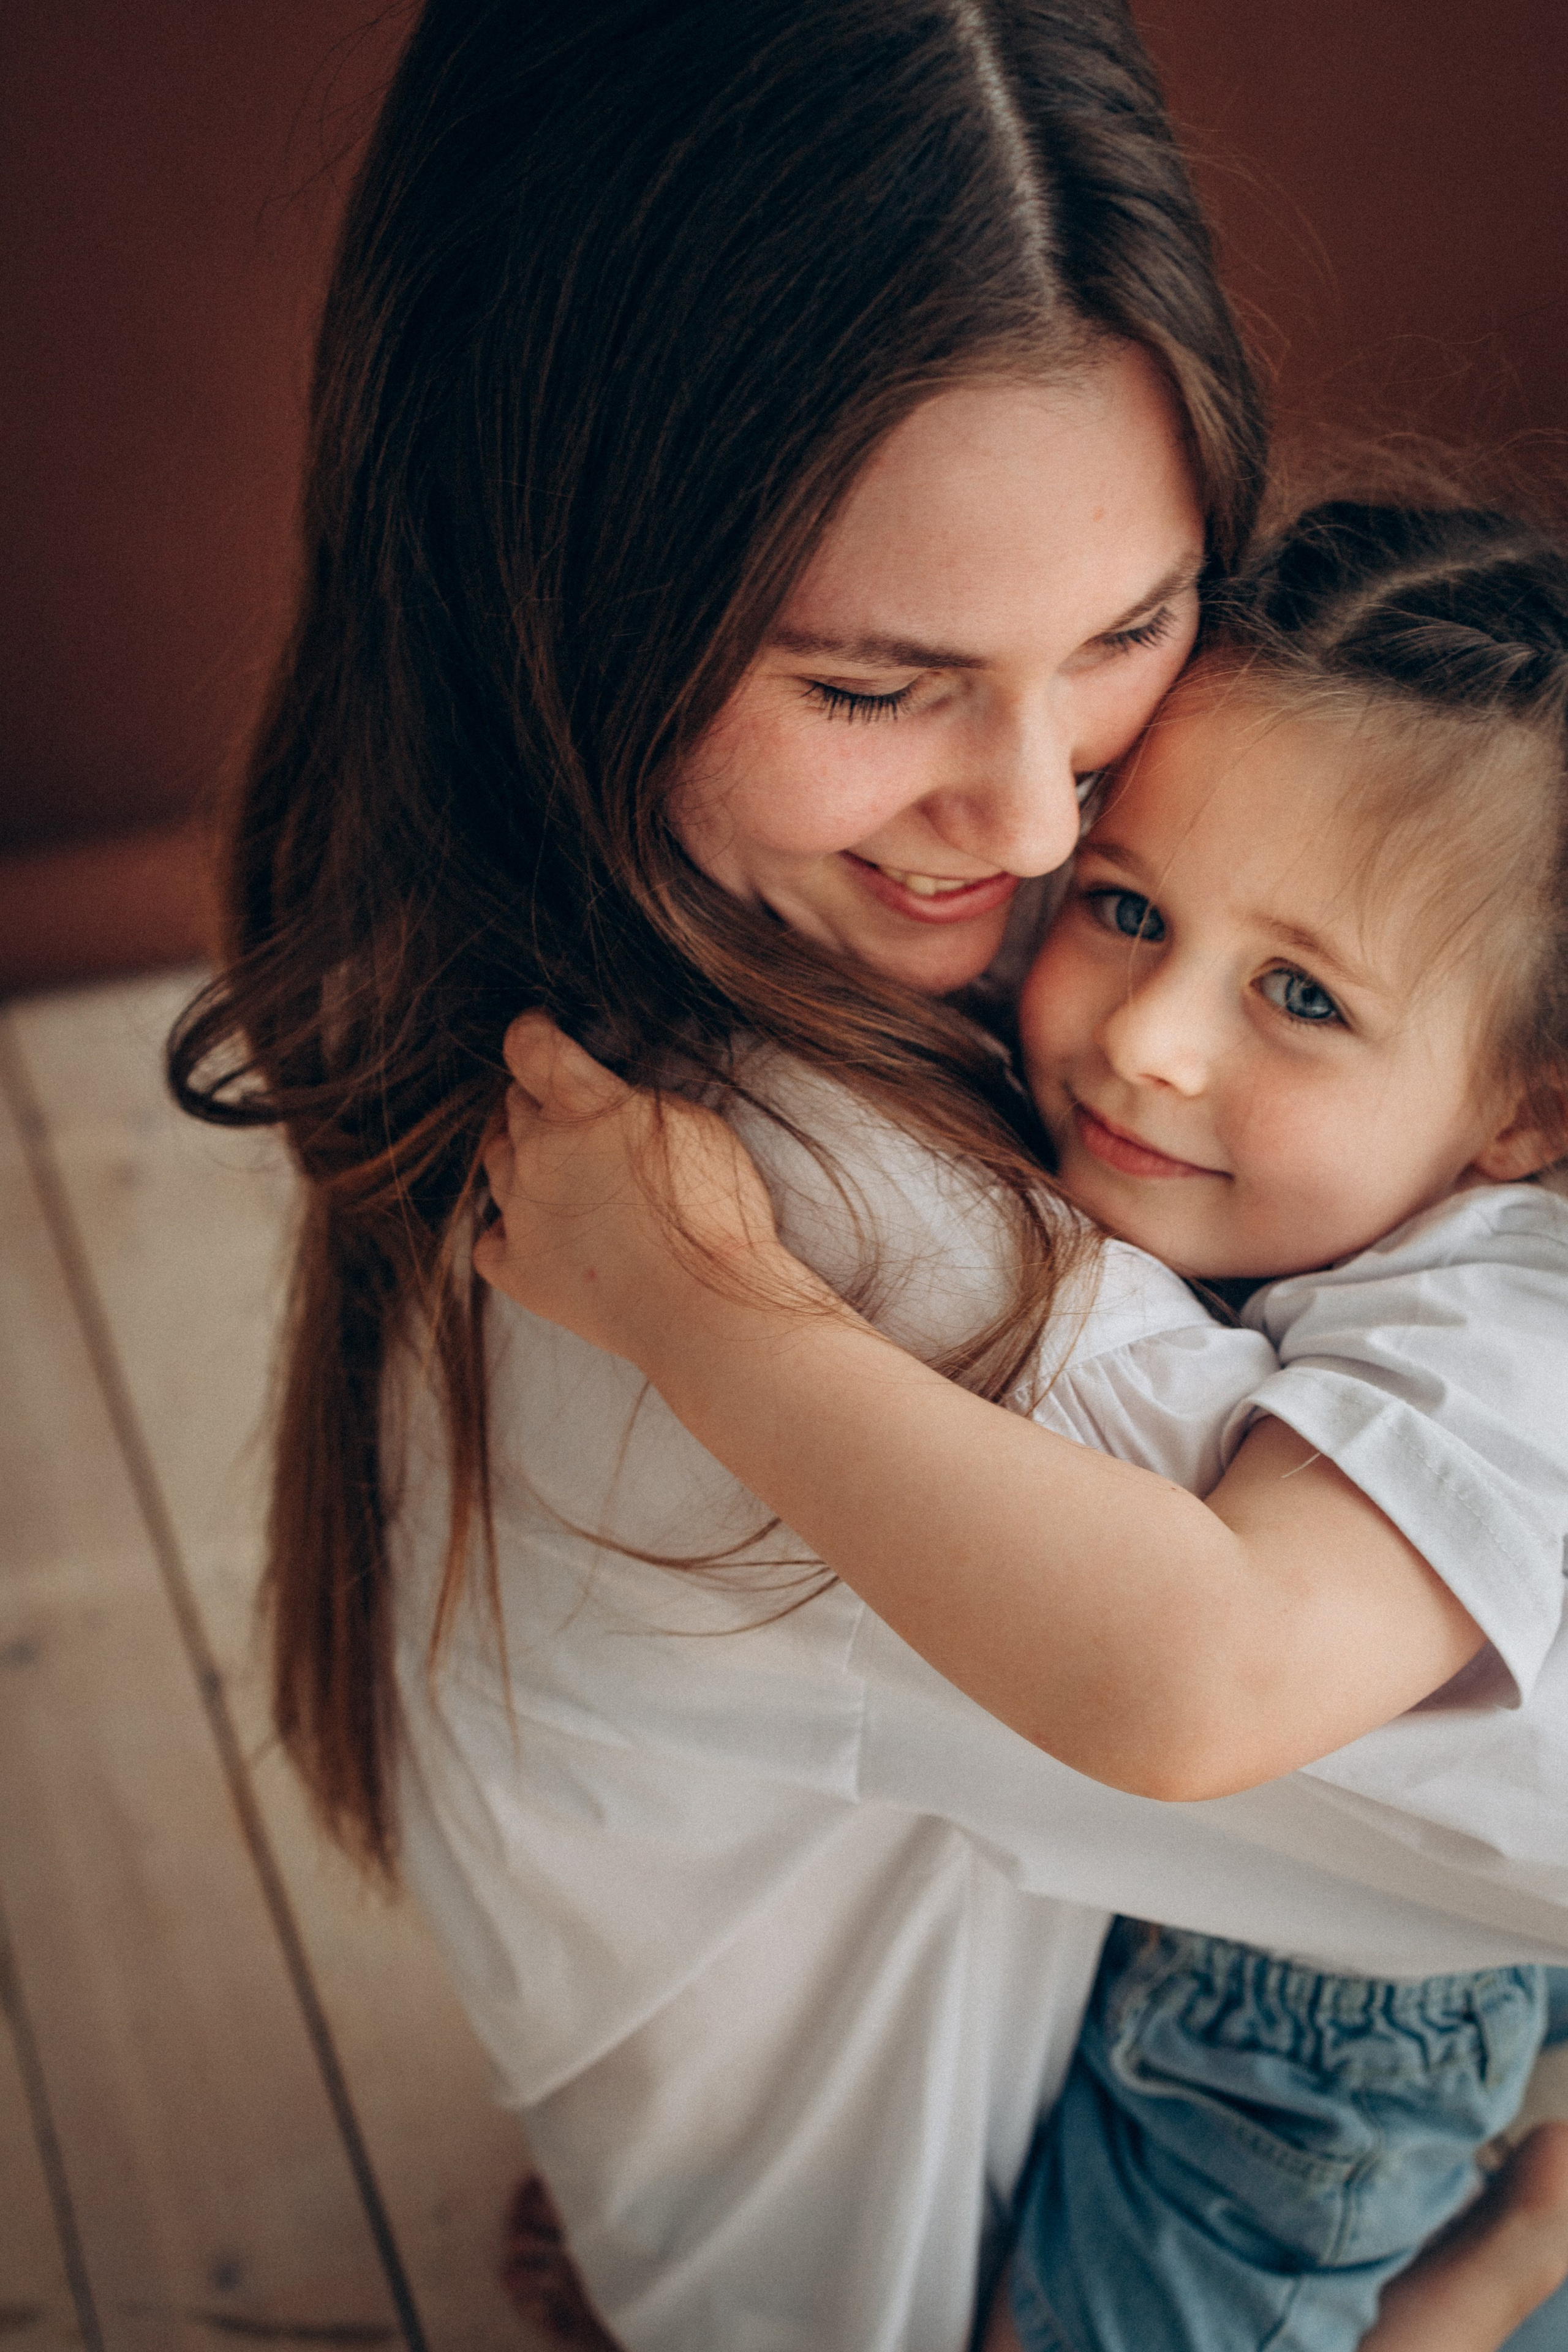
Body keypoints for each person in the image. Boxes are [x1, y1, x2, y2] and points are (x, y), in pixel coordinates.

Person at [165, 0, 1564, 2342]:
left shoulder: (522, 943)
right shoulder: (815, 1237)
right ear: (559, 603)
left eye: (1129, 630)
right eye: (868, 686)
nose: (1037, 828)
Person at [477, 499, 1568, 2350]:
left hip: (1334, 2040)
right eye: (1129, 908)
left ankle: (1500, 2269)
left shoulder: (1515, 1339)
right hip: (1232, 1931)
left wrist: (688, 1296)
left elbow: (1197, 1681)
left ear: (1527, 1114)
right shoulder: (1323, 1163)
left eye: (1301, 996)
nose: (1148, 1038)